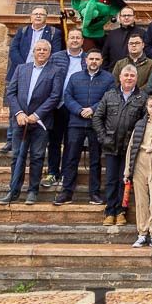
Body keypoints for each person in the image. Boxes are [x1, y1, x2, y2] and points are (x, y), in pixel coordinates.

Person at [1, 38, 62, 204]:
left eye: (45, 50)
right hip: (20, 121)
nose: (41, 52)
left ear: (50, 53)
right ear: (33, 52)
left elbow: (55, 96)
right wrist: (19, 113)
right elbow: (11, 93)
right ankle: (13, 191)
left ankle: (33, 191)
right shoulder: (21, 69)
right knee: (17, 156)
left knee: (37, 156)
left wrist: (37, 114)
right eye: (38, 49)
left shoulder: (55, 71)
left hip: (40, 123)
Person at [53, 47, 113, 205]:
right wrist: (79, 110)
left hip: (96, 124)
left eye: (97, 59)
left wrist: (92, 109)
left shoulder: (108, 78)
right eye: (91, 59)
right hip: (75, 123)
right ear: (85, 60)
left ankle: (94, 193)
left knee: (95, 160)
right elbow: (67, 96)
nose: (94, 62)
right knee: (71, 158)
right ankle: (67, 192)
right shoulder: (75, 77)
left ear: (101, 61)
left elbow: (109, 98)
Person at [2, 6, 63, 154]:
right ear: (30, 17)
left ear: (46, 18)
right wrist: (24, 68)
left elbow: (55, 52)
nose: (38, 16)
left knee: (39, 106)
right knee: (15, 108)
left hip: (43, 73)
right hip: (21, 72)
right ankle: (11, 140)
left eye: (41, 14)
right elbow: (13, 50)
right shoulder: (22, 32)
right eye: (35, 14)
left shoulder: (54, 33)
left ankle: (38, 140)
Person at [92, 63, 146, 226]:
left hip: (130, 148)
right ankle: (110, 211)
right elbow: (97, 118)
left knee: (126, 180)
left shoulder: (142, 97)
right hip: (111, 145)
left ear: (136, 79)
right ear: (120, 77)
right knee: (110, 180)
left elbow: (145, 122)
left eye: (132, 76)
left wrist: (136, 142)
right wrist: (103, 137)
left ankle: (122, 211)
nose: (129, 78)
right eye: (126, 76)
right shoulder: (109, 95)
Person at [44, 26, 86, 189]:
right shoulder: (56, 57)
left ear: (82, 41)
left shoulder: (88, 58)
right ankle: (53, 172)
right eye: (72, 37)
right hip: (57, 105)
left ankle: (67, 174)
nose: (75, 40)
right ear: (67, 40)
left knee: (72, 142)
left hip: (75, 106)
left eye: (78, 38)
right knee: (54, 141)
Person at [125, 93, 152, 249]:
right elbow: (132, 146)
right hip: (140, 160)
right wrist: (127, 171)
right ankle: (142, 233)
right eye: (151, 106)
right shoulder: (141, 124)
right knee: (141, 200)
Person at [101, 7, 147, 72]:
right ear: (119, 18)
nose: (126, 17)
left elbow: (147, 53)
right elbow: (105, 56)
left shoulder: (142, 33)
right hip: (114, 73)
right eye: (124, 15)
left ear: (134, 17)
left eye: (129, 15)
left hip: (136, 73)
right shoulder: (112, 34)